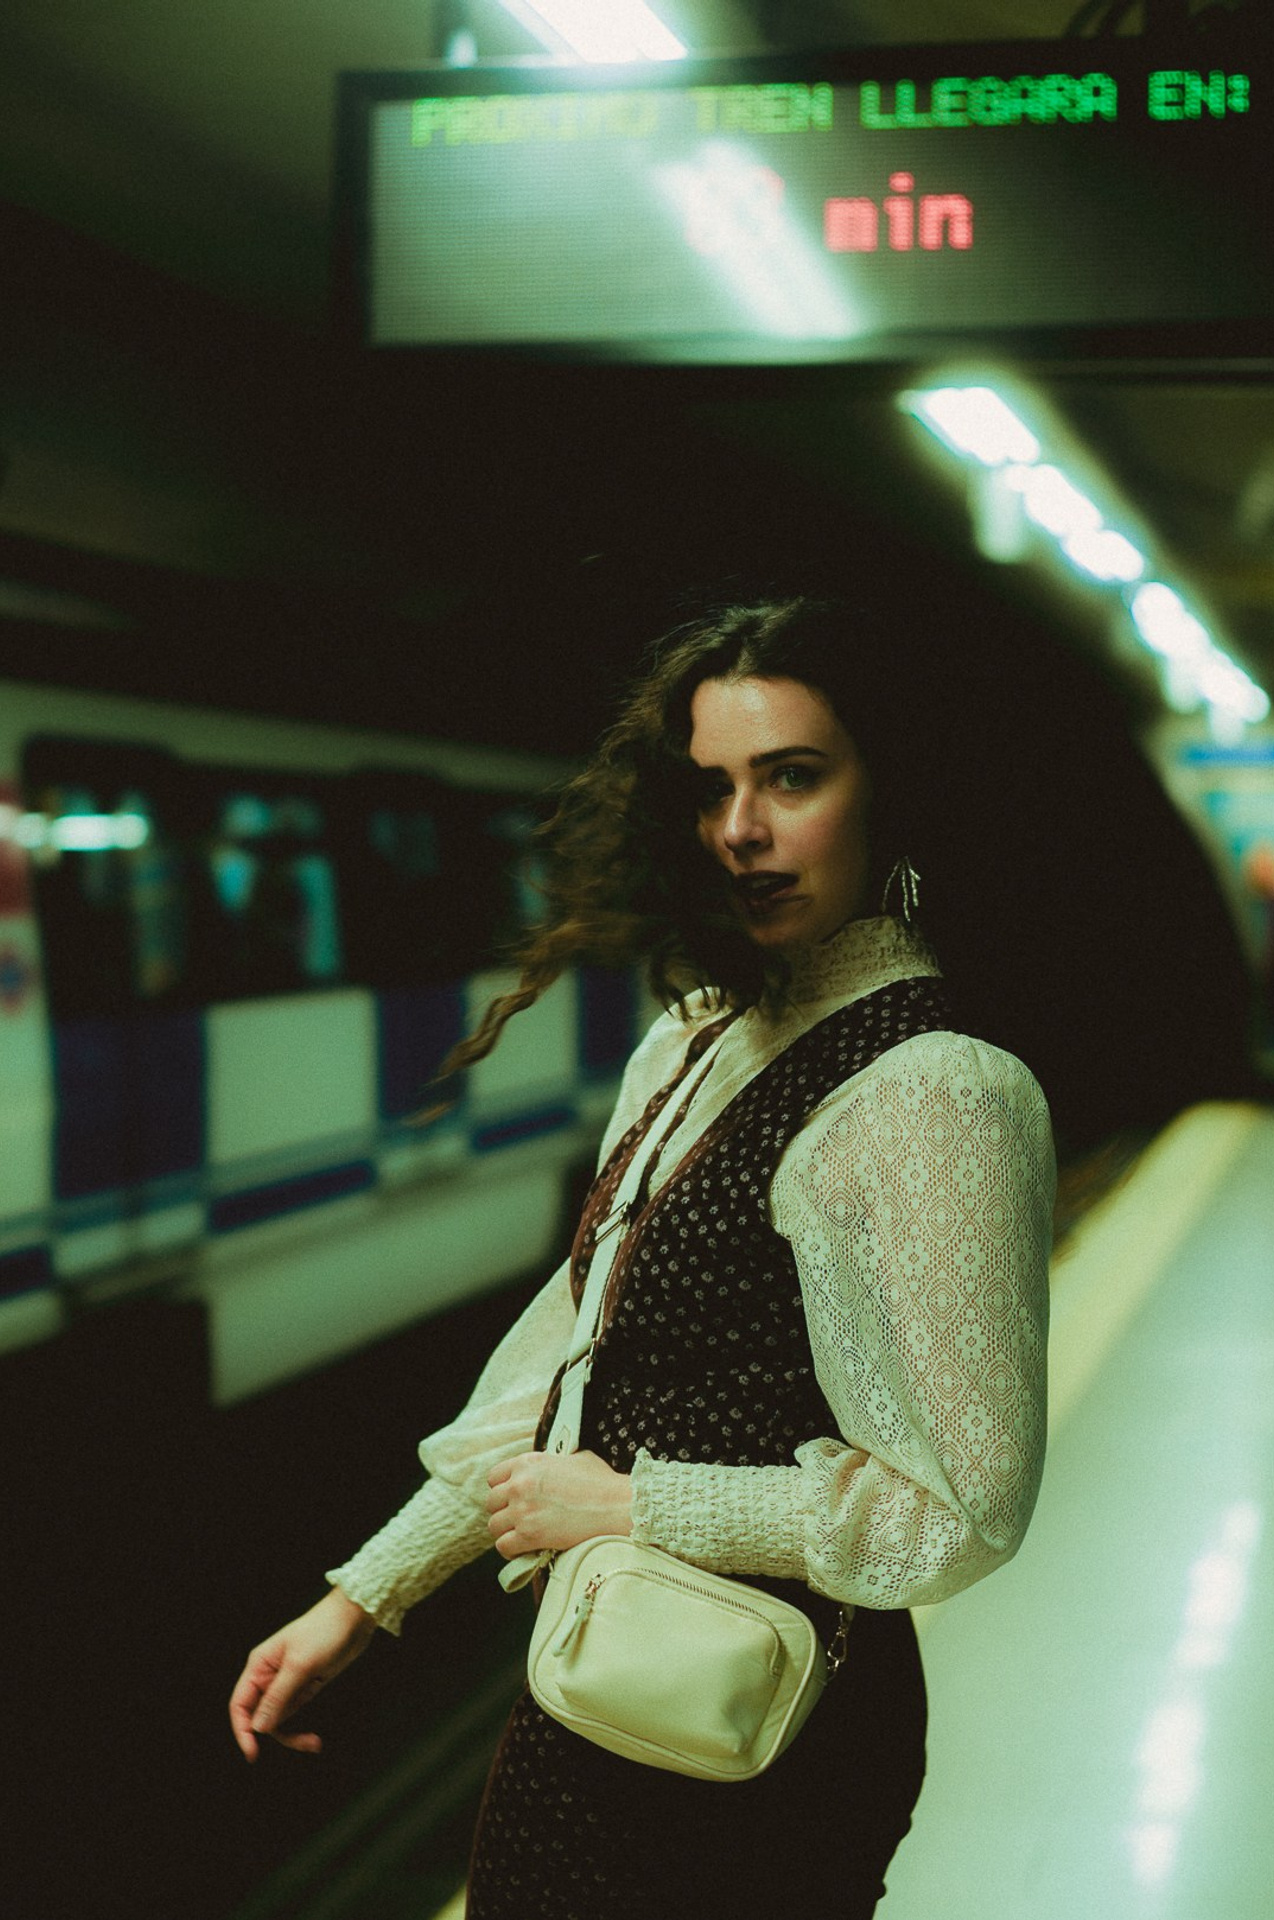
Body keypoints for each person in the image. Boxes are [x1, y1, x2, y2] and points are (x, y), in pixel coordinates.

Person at [229, 596, 1055, 1919]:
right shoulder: (689, 1043)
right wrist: (367, 1598)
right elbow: (563, 1375)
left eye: (793, 777)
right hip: (604, 1679)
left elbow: (959, 1514)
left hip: (763, 1715)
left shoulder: (939, 1093)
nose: (742, 830)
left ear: (887, 791)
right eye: (711, 789)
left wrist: (629, 1507)